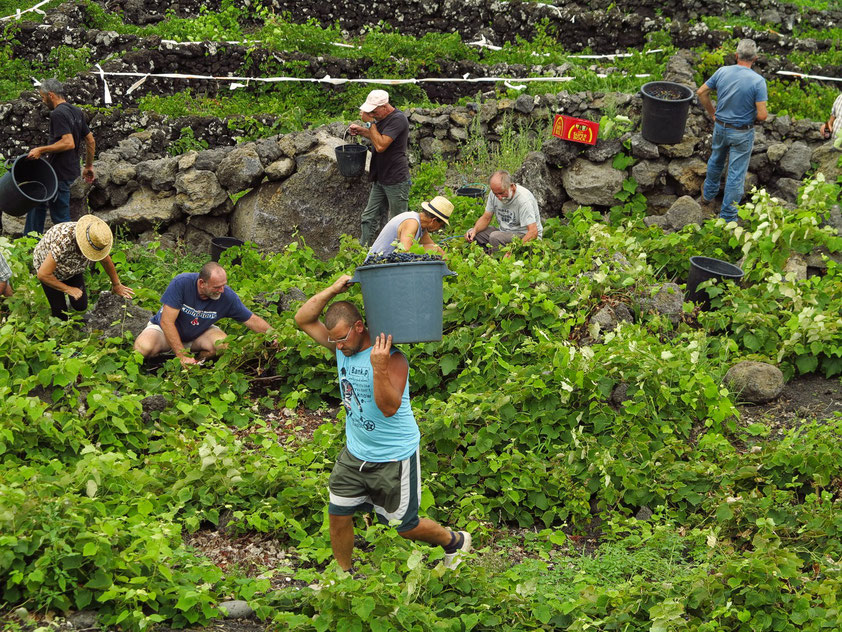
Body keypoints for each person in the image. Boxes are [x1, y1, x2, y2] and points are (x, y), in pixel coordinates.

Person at [294, 277, 471, 573]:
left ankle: (454, 540)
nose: (336, 345)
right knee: (338, 515)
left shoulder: (393, 358)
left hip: (394, 455)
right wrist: (334, 290)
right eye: (333, 340)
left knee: (404, 526)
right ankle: (345, 576)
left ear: (359, 327)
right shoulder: (341, 347)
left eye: (341, 338)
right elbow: (303, 318)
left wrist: (378, 368)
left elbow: (389, 408)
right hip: (355, 453)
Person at [133, 262, 273, 366]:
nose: (222, 290)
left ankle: (198, 362)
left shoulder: (227, 296)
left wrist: (274, 335)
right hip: (163, 331)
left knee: (225, 345)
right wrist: (182, 354)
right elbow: (166, 322)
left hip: (198, 334)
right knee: (142, 348)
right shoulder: (181, 284)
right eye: (217, 287)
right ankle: (164, 361)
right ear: (202, 283)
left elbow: (251, 319)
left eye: (224, 285)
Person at [697, 39, 768, 222]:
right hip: (742, 132)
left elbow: (701, 92)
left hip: (721, 126)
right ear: (755, 58)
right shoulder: (758, 81)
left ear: (736, 56)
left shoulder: (722, 72)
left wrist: (713, 113)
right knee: (736, 174)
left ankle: (707, 196)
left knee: (716, 159)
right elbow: (762, 115)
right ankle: (728, 217)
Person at [25, 78, 96, 235]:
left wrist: (41, 150)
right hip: (67, 170)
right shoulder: (76, 111)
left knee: (60, 217)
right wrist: (88, 166)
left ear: (51, 95)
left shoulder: (58, 113)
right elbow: (90, 140)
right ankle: (30, 241)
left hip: (59, 172)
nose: (43, 101)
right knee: (38, 201)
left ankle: (68, 248)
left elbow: (68, 143)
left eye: (43, 97)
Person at [33, 214, 133, 320]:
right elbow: (43, 274)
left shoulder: (97, 238)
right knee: (60, 313)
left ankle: (70, 303)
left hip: (73, 269)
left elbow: (106, 262)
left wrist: (116, 284)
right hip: (50, 270)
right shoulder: (63, 241)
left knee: (81, 306)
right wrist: (68, 289)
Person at [348, 89, 411, 247]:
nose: (373, 115)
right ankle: (364, 251)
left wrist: (369, 123)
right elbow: (379, 137)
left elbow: (381, 145)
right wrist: (363, 131)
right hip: (380, 177)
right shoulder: (382, 118)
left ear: (384, 106)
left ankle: (398, 254)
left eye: (374, 112)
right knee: (369, 217)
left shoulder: (398, 119)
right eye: (371, 112)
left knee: (398, 220)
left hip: (396, 178)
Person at [465, 170, 543, 253]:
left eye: (502, 193)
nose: (499, 197)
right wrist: (474, 231)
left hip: (523, 235)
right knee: (473, 233)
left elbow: (533, 232)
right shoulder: (493, 193)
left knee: (495, 237)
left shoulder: (523, 200)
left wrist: (512, 250)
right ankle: (488, 256)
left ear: (511, 186)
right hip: (505, 232)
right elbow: (486, 218)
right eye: (496, 194)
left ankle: (501, 261)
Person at [367, 196, 454, 257]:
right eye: (440, 225)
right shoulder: (412, 222)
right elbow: (405, 251)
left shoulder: (421, 227)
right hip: (377, 265)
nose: (439, 229)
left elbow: (432, 246)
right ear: (434, 220)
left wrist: (447, 262)